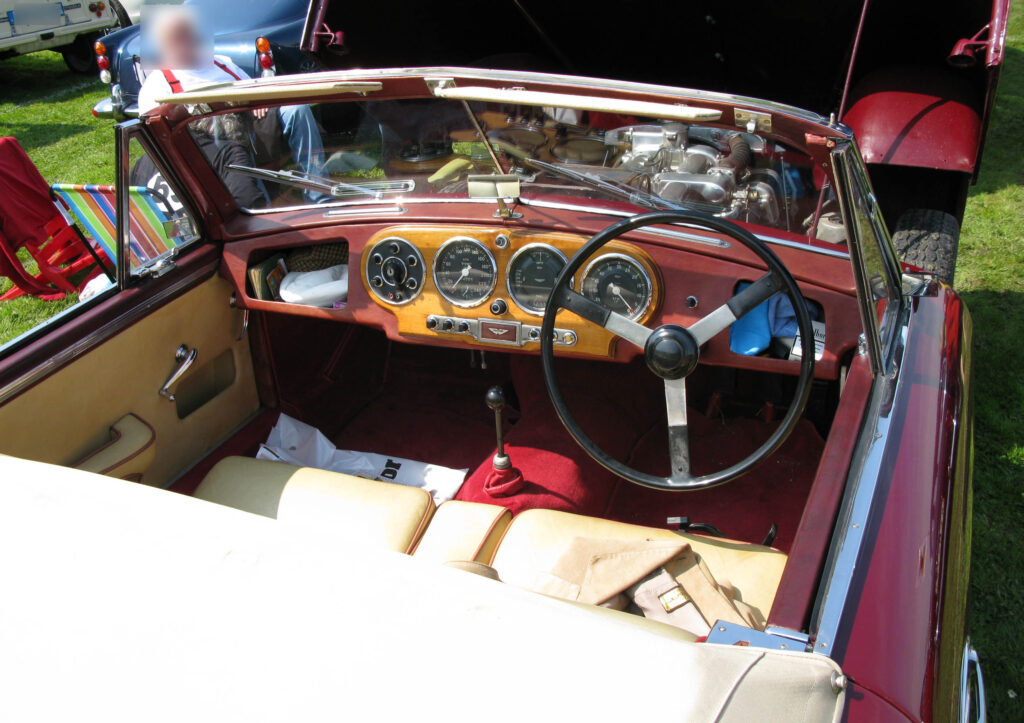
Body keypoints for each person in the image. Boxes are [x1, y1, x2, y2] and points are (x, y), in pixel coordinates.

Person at [136, 6, 326, 199]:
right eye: (178, 36)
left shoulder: (222, 62)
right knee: (232, 138)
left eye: (189, 32)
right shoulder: (158, 84)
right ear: (164, 43)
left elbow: (255, 90)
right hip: (213, 142)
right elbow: (157, 134)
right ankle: (260, 208)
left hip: (251, 122)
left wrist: (261, 100)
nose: (188, 39)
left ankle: (319, 195)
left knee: (296, 110)